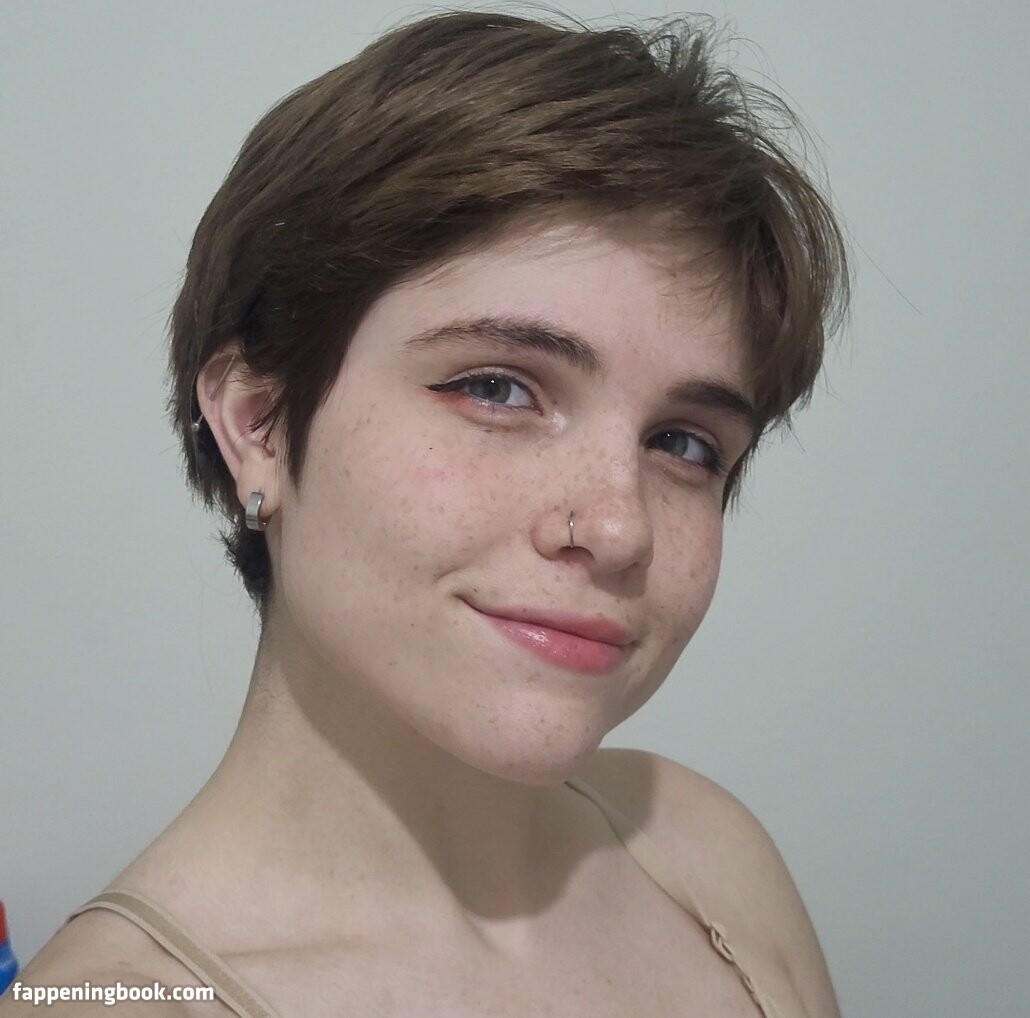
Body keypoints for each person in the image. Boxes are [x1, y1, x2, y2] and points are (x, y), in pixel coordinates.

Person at [4, 8, 850, 1017]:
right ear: (258, 422)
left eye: (684, 444)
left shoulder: (707, 853)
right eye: (496, 389)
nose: (620, 528)